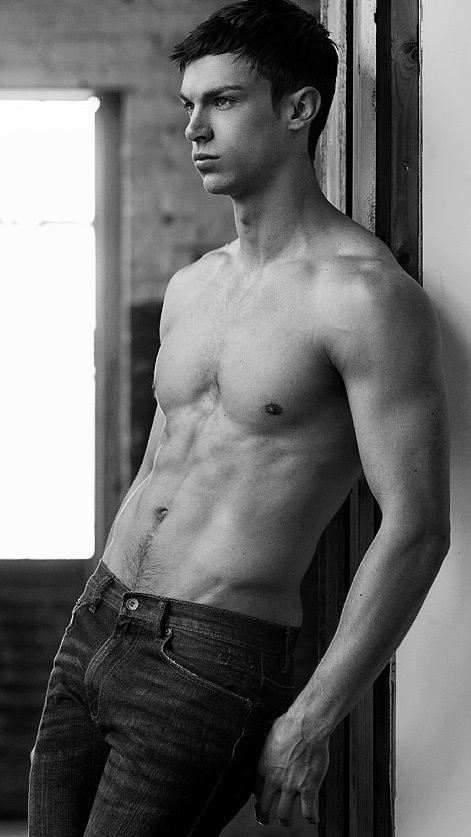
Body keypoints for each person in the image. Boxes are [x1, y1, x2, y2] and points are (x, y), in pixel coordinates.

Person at [28, 0, 450, 834]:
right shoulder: (193, 286)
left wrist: (310, 718)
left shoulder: (364, 298)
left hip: (208, 657)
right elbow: (160, 472)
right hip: (96, 621)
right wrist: (95, 607)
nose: (194, 128)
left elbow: (417, 527)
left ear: (298, 109)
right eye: (189, 104)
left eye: (222, 101)